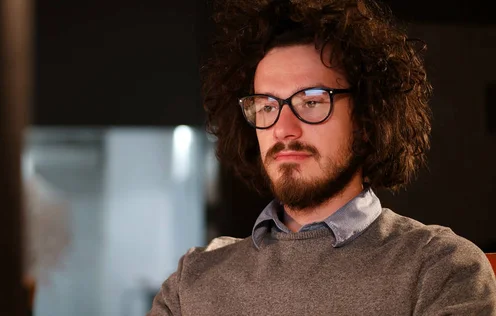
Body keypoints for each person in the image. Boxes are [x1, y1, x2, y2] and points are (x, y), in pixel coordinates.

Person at [148, 0, 496, 315]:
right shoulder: (192, 282)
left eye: (311, 102)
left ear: (366, 119)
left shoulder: (440, 269)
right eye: (267, 106)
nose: (284, 128)